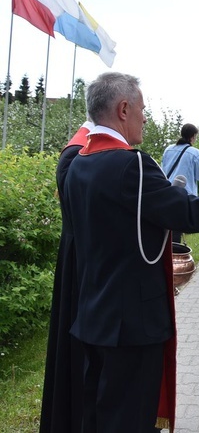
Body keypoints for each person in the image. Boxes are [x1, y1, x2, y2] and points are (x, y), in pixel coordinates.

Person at [60, 72, 199, 432]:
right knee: (129, 420)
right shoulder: (131, 165)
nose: (146, 117)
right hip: (132, 328)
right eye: (142, 109)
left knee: (97, 417)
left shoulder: (77, 165)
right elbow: (195, 214)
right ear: (123, 109)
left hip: (91, 318)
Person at [40, 119, 94, 433]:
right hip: (83, 264)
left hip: (78, 258)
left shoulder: (76, 151)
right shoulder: (78, 155)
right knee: (75, 356)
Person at [161, 123, 199, 242]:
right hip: (184, 197)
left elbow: (162, 170)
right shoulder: (195, 152)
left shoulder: (168, 149)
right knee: (177, 230)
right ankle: (175, 256)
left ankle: (167, 254)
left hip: (167, 193)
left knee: (167, 229)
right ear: (192, 137)